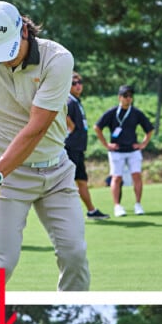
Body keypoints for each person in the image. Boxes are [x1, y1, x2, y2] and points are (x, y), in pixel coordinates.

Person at [0, 0, 90, 292]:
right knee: (0, 264)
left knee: (74, 254)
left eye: (9, 51)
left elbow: (36, 128)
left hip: (55, 173)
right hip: (8, 179)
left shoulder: (57, 59)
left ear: (24, 30)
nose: (5, 61)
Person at [93, 85, 154, 217]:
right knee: (116, 177)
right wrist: (106, 144)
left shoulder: (136, 113)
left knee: (136, 175)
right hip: (116, 151)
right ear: (119, 97)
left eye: (131, 96)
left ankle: (138, 204)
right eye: (125, 96)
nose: (128, 99)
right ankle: (117, 206)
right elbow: (97, 127)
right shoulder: (112, 112)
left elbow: (149, 129)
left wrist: (143, 144)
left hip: (133, 150)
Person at [65, 73, 109, 220]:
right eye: (73, 83)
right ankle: (67, 215)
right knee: (67, 183)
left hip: (78, 148)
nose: (78, 85)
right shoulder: (69, 101)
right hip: (70, 148)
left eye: (79, 82)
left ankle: (91, 210)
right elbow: (62, 114)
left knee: (82, 180)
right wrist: (71, 128)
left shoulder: (76, 101)